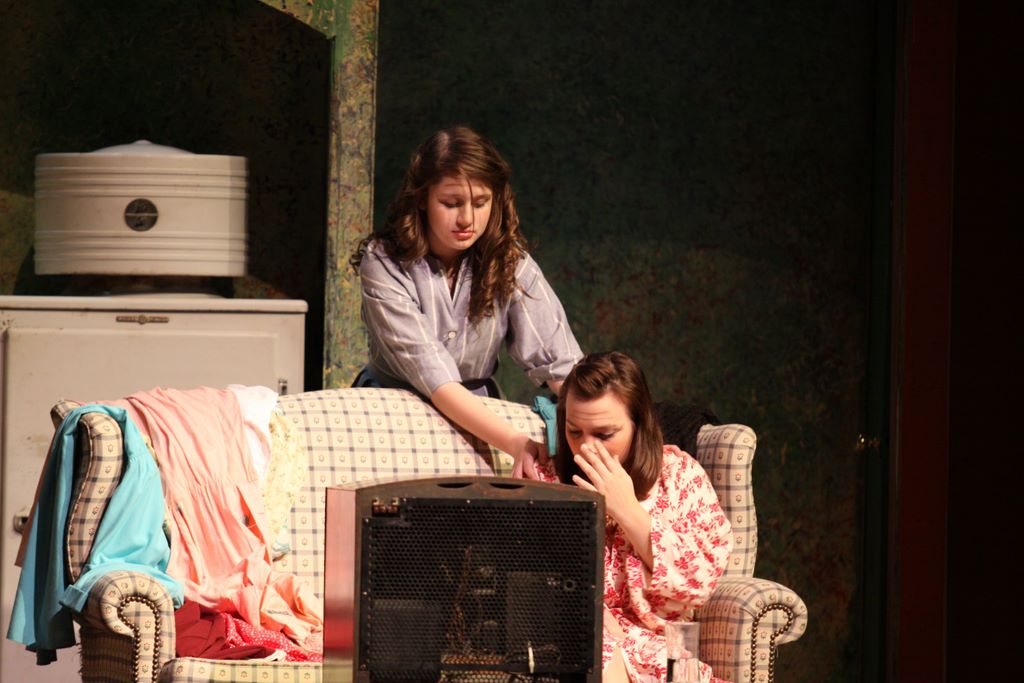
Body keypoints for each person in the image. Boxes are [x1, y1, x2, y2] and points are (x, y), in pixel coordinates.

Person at [350, 125, 583, 478]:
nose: (467, 219)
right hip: (393, 412)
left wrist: (596, 427)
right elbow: (435, 377)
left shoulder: (509, 261)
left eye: (480, 203)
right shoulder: (384, 262)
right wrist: (514, 442)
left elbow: (562, 365)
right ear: (422, 199)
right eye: (451, 203)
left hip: (478, 416)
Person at [539, 352, 733, 683]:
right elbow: (523, 578)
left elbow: (699, 582)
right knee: (593, 646)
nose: (586, 448)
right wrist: (585, 610)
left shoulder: (679, 477)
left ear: (638, 424)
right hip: (574, 649)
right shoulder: (545, 483)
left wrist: (626, 508)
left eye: (604, 434)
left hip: (660, 653)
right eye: (574, 431)